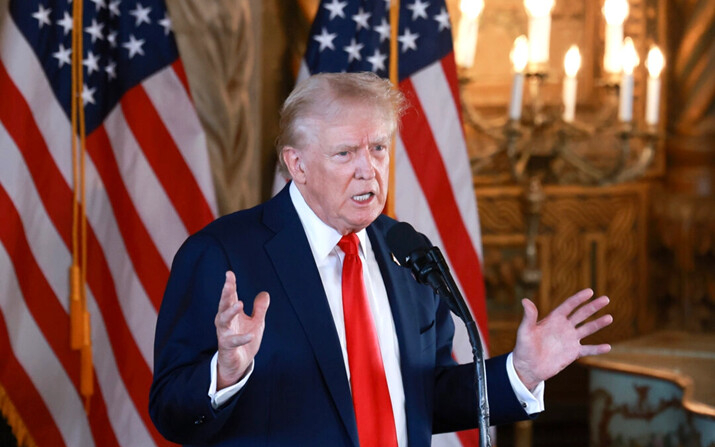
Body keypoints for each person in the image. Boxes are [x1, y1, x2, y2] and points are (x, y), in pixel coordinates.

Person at [149, 72, 613, 447]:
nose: (367, 169)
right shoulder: (222, 254)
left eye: (378, 148)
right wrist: (224, 374)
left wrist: (521, 372)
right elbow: (171, 411)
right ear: (297, 165)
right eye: (345, 152)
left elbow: (427, 397)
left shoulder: (406, 251)